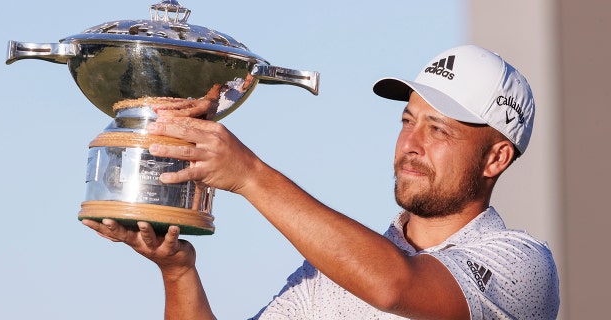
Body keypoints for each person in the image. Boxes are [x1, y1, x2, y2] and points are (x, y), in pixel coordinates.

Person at [82, 44, 560, 319]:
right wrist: (178, 272)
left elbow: (396, 286)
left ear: (495, 158)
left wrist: (248, 173)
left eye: (438, 130)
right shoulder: (331, 275)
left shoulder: (523, 265)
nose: (411, 143)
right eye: (408, 121)